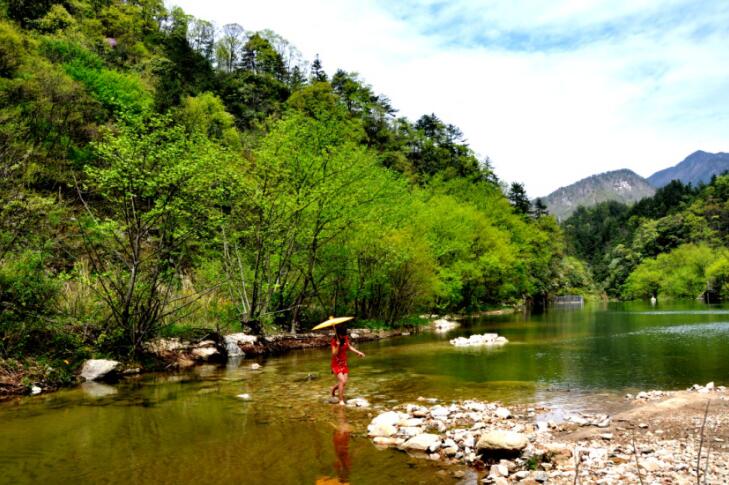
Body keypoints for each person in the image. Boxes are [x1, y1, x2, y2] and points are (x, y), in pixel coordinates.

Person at [329, 324, 364, 405]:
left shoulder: (345, 338)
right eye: (342, 335)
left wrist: (358, 352)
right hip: (336, 364)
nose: (343, 336)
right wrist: (337, 345)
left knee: (344, 382)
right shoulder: (334, 341)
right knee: (342, 380)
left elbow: (349, 347)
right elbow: (334, 353)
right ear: (338, 334)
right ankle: (341, 400)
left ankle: (333, 389)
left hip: (344, 363)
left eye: (344, 334)